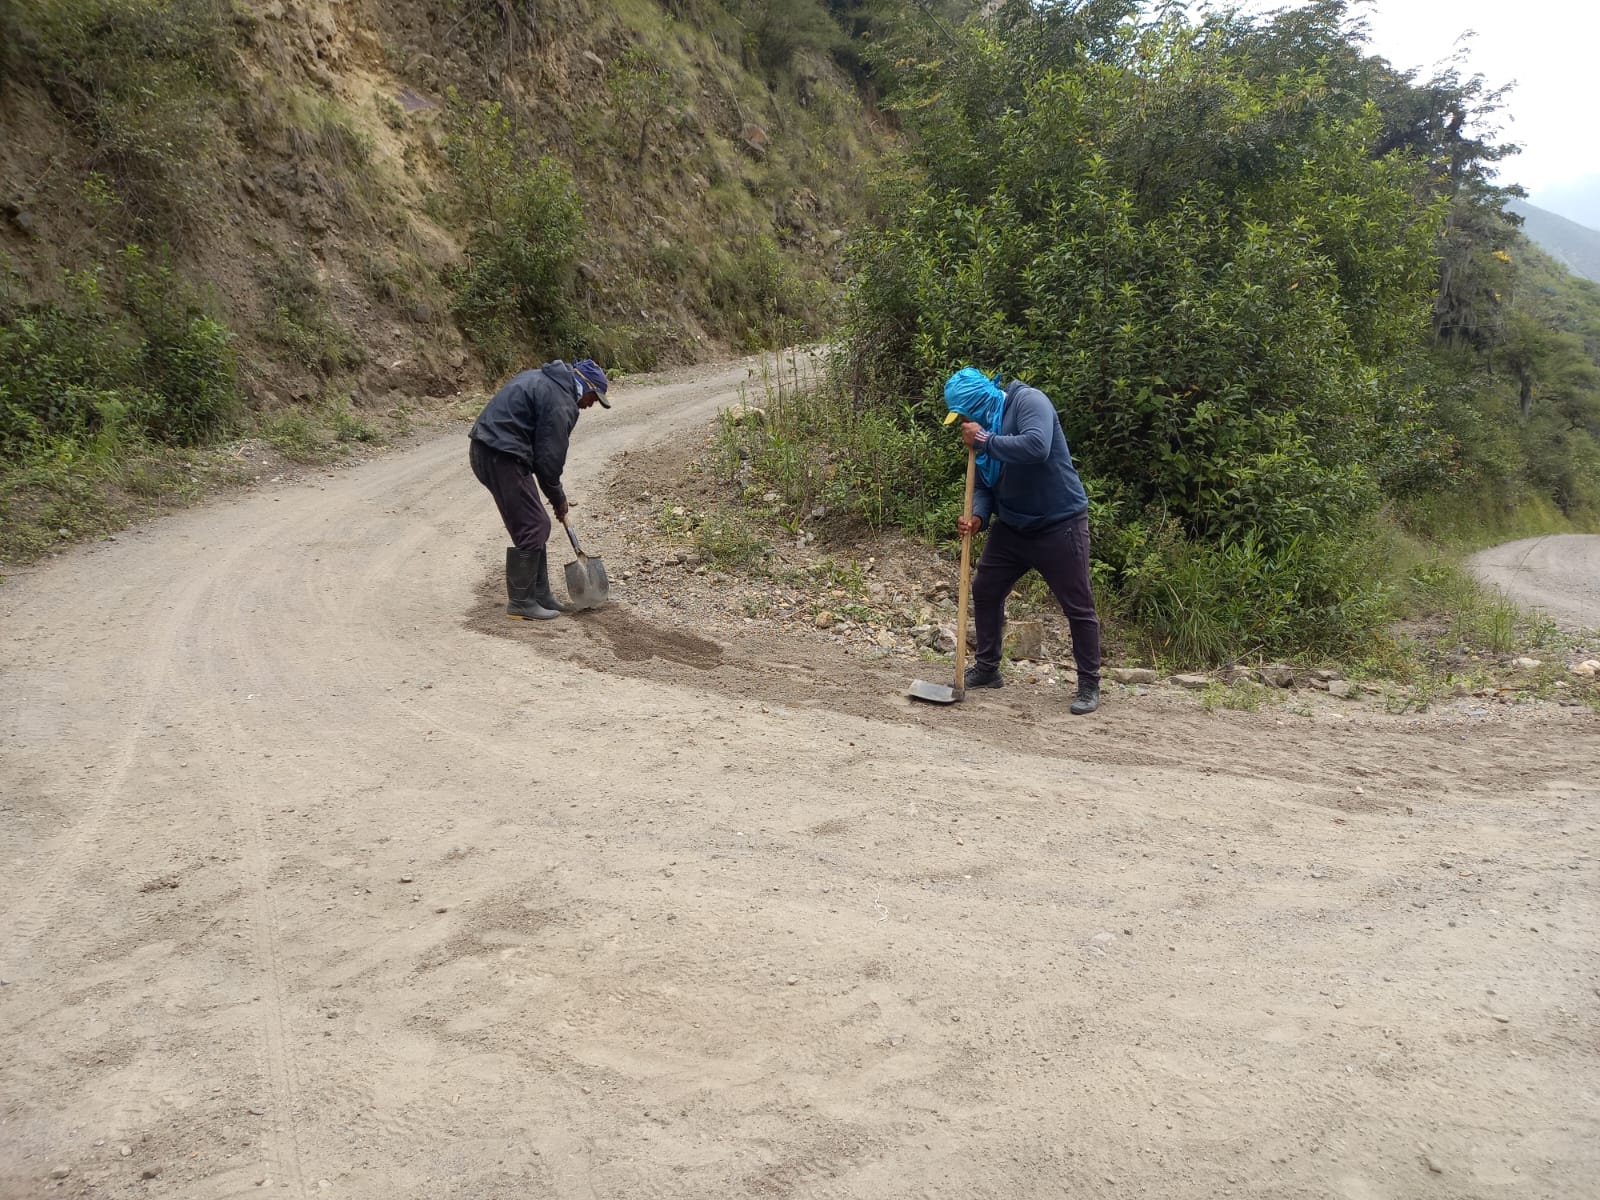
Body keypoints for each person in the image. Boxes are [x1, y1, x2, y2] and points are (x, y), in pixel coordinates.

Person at [945, 367, 1102, 715]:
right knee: (986, 588)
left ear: (978, 405)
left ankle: (1089, 684)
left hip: (1059, 524)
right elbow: (984, 485)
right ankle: (988, 668)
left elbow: (1036, 446)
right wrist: (978, 516)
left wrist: (984, 439)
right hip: (1013, 527)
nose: (963, 425)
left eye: (964, 416)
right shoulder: (983, 436)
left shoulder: (1028, 402)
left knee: (1078, 605)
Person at [469, 358, 610, 620]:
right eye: (594, 397)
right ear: (586, 387)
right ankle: (521, 603)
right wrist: (558, 498)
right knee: (534, 525)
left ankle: (540, 595)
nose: (591, 404)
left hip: (496, 450)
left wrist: (554, 496)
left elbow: (541, 456)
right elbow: (548, 460)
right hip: (500, 454)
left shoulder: (548, 382)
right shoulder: (561, 402)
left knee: (535, 523)